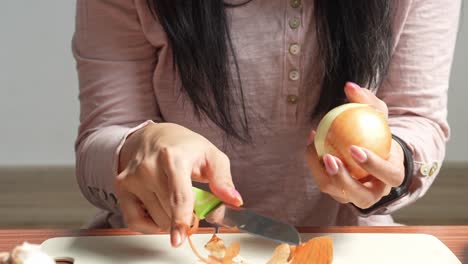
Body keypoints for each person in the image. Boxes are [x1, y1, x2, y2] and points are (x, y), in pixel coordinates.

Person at [72, 0, 460, 247]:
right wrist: (140, 146)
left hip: (345, 241)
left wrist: (398, 162)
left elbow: (418, 123)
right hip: (161, 244)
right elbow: (98, 143)